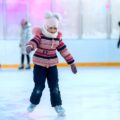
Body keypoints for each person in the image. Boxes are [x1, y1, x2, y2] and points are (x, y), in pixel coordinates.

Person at [26, 11, 77, 115]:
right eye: (51, 27)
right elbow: (34, 42)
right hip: (40, 66)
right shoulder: (40, 36)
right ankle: (33, 102)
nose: (53, 30)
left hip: (52, 66)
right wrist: (30, 47)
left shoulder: (57, 38)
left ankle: (58, 105)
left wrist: (71, 62)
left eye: (55, 28)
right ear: (46, 26)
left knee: (55, 87)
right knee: (39, 86)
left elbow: (64, 51)